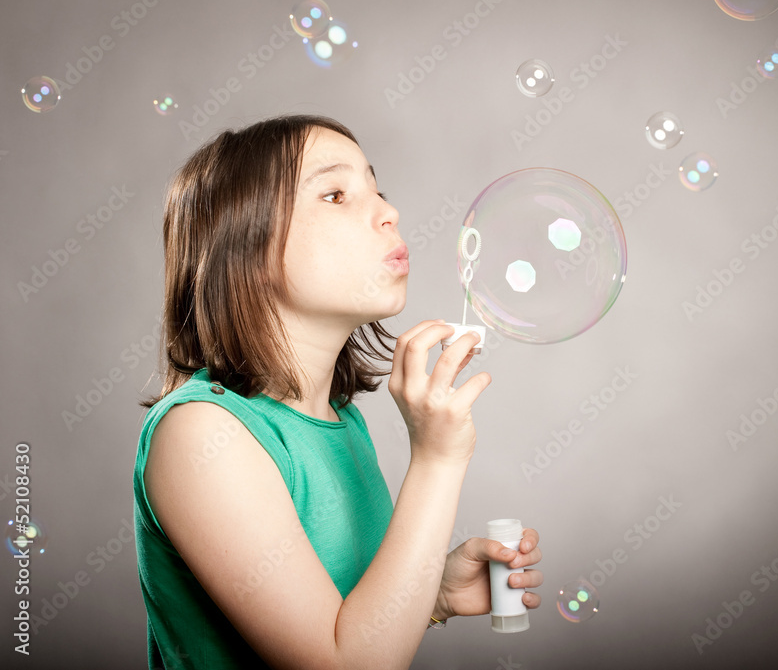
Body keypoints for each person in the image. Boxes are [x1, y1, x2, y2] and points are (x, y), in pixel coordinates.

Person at [132, 114, 543, 669]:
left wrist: (432, 595)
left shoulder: (341, 419)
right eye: (335, 195)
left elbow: (341, 626)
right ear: (246, 249)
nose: (389, 212)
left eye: (378, 190)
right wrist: (438, 459)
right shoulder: (201, 435)